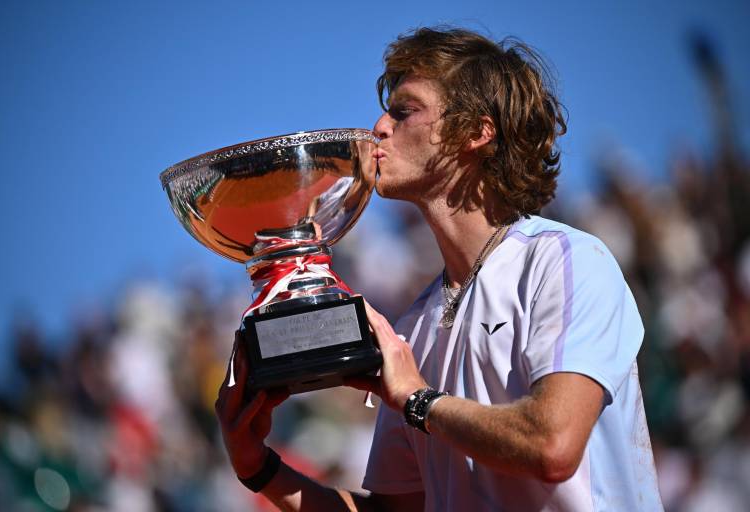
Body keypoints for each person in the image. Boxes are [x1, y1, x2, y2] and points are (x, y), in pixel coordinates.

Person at [215, 27, 663, 511]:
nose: (379, 127)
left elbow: (552, 445)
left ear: (476, 131)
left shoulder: (566, 260)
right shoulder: (413, 327)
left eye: (404, 111)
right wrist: (257, 466)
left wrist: (418, 400)